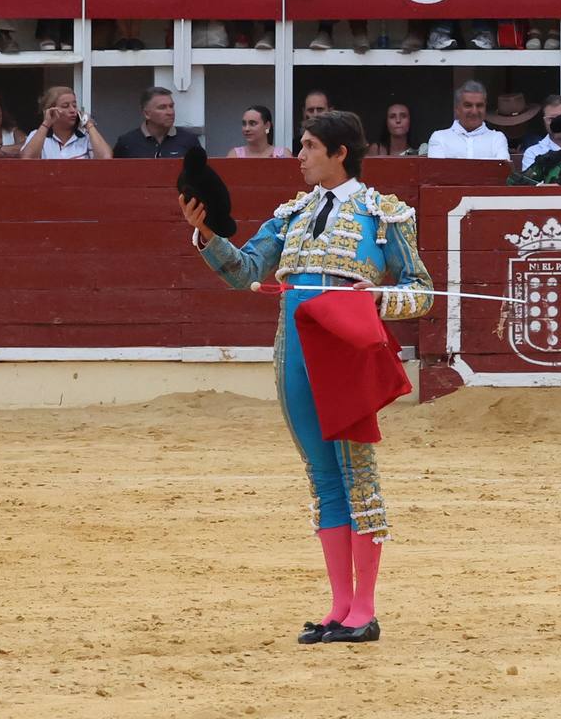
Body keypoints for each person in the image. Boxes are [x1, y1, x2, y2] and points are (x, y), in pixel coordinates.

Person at [182, 106, 435, 644]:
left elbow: (421, 291)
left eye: (308, 147)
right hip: (293, 350)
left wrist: (381, 299)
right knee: (323, 479)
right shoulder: (291, 214)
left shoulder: (384, 214)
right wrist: (206, 234)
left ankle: (364, 610)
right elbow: (246, 272)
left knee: (356, 475)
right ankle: (339, 607)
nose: (298, 156)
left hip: (343, 351)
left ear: (339, 153)